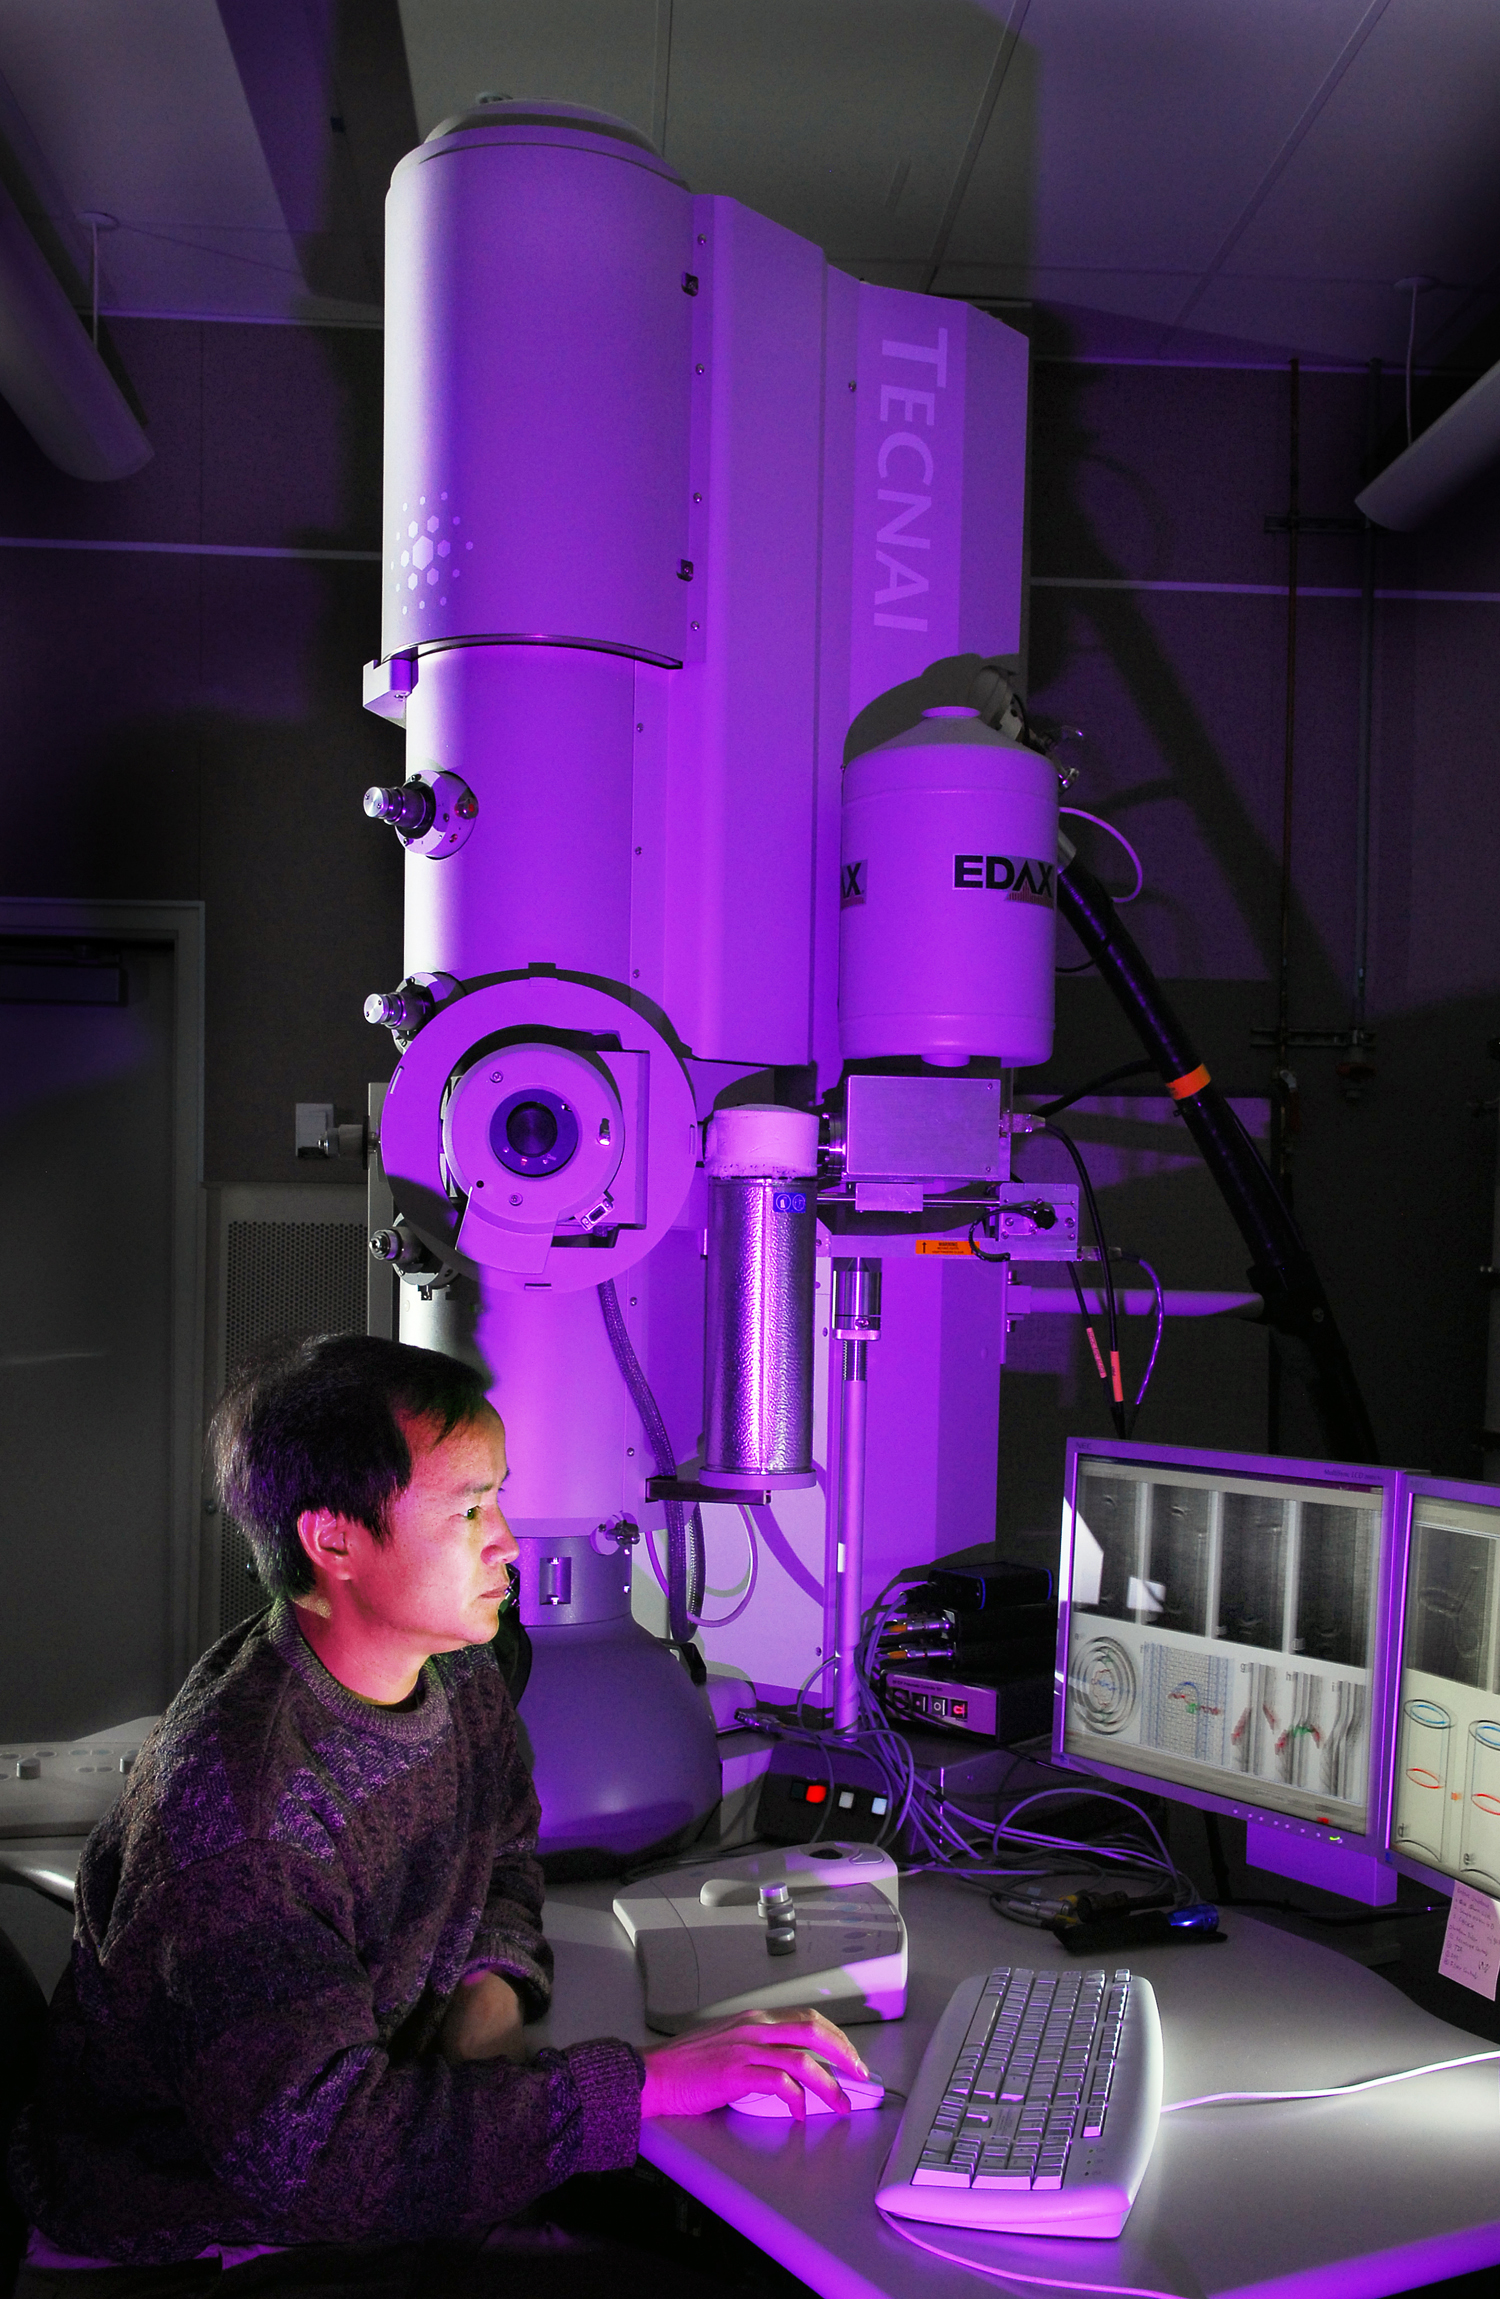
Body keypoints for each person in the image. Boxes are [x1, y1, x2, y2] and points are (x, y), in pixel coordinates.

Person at [9, 1334, 867, 2296]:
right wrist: (649, 2080)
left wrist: (489, 1992)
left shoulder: (455, 1666)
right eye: (467, 1510)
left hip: (360, 2166)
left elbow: (502, 1846)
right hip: (203, 2250)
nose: (508, 1542)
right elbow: (320, 2162)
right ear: (335, 1541)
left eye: (498, 1497)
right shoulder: (246, 1822)